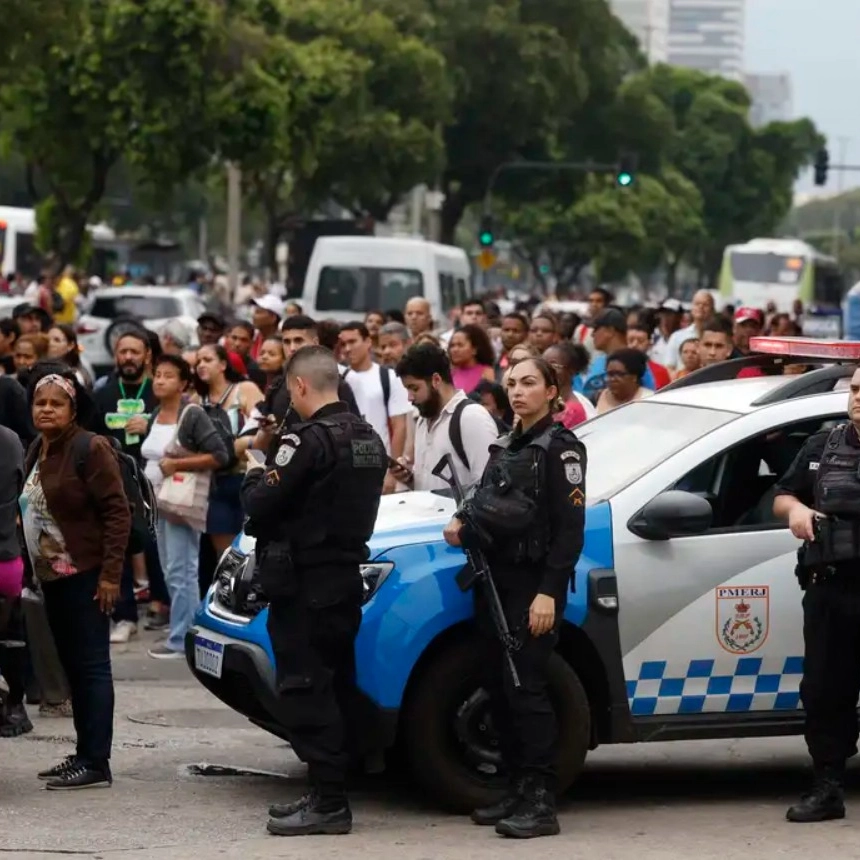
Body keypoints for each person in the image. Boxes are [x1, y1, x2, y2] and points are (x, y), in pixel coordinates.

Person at [242, 346, 386, 837]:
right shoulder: (368, 437)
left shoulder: (305, 441)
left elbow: (262, 503)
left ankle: (329, 802)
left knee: (306, 689)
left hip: (305, 582)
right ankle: (329, 789)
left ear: (299, 385)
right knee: (335, 684)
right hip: (343, 578)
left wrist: (254, 473)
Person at [443, 357, 586, 838]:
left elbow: (569, 532)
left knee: (527, 689)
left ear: (552, 390)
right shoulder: (507, 444)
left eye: (529, 383)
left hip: (531, 585)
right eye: (512, 384)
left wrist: (548, 593)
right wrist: (462, 519)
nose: (518, 391)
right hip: (494, 581)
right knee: (499, 686)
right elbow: (483, 496)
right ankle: (517, 788)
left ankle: (541, 801)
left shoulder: (561, 449)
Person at [21, 371, 131, 789]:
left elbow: (117, 514)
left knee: (91, 667)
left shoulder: (90, 447)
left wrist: (110, 576)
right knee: (73, 667)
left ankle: (96, 761)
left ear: (73, 409)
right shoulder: (39, 447)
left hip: (86, 575)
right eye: (40, 403)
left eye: (56, 403)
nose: (46, 410)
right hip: (52, 578)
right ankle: (84, 753)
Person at [773, 366, 860, 822]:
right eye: (856, 389)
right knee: (825, 691)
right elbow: (782, 495)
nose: (858, 397)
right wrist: (797, 510)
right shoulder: (822, 445)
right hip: (831, 588)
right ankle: (827, 789)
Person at [141, 355, 229, 659]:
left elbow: (219, 455)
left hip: (181, 502)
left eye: (168, 376)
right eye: (157, 375)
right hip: (157, 502)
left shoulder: (192, 414)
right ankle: (182, 628)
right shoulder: (155, 414)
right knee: (170, 569)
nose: (160, 380)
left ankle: (184, 638)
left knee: (182, 570)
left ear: (183, 384)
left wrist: (177, 464)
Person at [392, 343, 499, 492]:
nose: (409, 397)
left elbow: (489, 487)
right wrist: (409, 479)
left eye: (414, 388)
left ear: (436, 380)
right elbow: (428, 486)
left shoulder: (472, 418)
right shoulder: (423, 420)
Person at [194, 344, 264, 560]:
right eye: (198, 361)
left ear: (223, 364)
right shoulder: (197, 400)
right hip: (214, 482)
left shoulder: (245, 389)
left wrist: (243, 443)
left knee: (253, 550)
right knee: (225, 557)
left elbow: (266, 425)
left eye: (207, 360)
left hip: (247, 477)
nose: (201, 365)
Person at [338, 322, 411, 462]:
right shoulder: (338, 379)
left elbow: (399, 427)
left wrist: (393, 467)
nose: (347, 348)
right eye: (343, 344)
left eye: (352, 342)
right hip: (347, 462)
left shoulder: (388, 377)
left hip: (380, 461)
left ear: (368, 342)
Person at [578, 310, 657, 401]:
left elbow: (648, 397)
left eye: (596, 329)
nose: (592, 334)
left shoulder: (635, 361)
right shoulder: (598, 361)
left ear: (610, 331)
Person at [543, 342, 595, 428]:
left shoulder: (573, 411)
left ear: (571, 370)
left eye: (553, 365)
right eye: (543, 365)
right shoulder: (544, 403)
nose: (546, 370)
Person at [664, 290, 715, 370]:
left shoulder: (717, 338)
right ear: (692, 308)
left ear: (712, 309)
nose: (701, 307)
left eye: (705, 304)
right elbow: (669, 368)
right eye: (697, 304)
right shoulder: (677, 337)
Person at [596, 349, 653, 414]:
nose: (613, 379)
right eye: (610, 374)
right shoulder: (598, 397)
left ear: (634, 377)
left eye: (619, 374)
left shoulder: (649, 400)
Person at [448, 324, 496, 394]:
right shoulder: (450, 375)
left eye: (460, 345)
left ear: (474, 349)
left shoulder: (486, 373)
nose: (455, 350)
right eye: (452, 345)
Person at [47, 324, 91, 388]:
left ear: (70, 345)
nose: (50, 343)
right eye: (47, 340)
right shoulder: (38, 368)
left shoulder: (76, 375)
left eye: (57, 340)